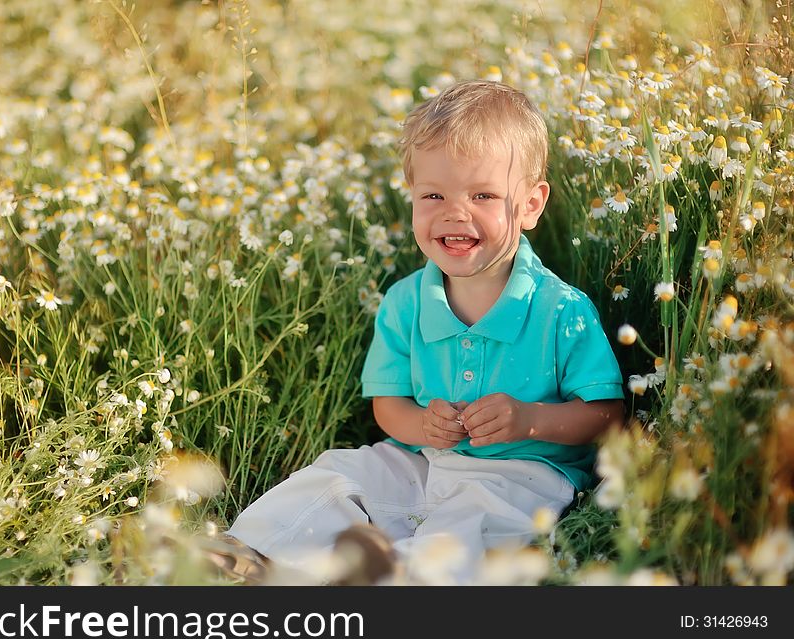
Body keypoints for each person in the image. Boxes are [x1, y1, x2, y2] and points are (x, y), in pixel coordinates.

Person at [211, 79, 624, 585]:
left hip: (521, 475)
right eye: (434, 194)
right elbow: (389, 406)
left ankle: (386, 579)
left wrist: (529, 420)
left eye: (483, 195)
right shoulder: (406, 301)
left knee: (463, 528)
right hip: (426, 459)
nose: (455, 212)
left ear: (531, 205)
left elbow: (605, 415)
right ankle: (248, 555)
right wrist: (421, 427)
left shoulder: (561, 309)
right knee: (342, 472)